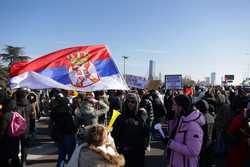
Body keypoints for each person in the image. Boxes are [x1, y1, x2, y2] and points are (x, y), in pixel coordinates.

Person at [163, 94, 205, 167]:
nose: (172, 108)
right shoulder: (182, 120)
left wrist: (170, 143)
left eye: (174, 105)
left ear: (181, 107)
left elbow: (193, 151)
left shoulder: (193, 126)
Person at [112, 93, 148, 167]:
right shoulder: (120, 116)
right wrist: (116, 149)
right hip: (124, 151)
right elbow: (115, 134)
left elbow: (146, 132)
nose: (130, 104)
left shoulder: (140, 115)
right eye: (128, 101)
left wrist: (144, 119)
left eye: (133, 102)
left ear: (137, 103)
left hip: (138, 152)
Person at [50, 93, 77, 167]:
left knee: (61, 155)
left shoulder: (54, 110)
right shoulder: (68, 110)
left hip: (59, 134)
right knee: (71, 155)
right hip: (69, 133)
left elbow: (51, 123)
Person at [0, 98, 20, 167]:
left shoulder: (6, 115)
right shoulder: (17, 114)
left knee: (4, 157)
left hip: (7, 139)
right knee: (15, 156)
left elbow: (3, 129)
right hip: (16, 137)